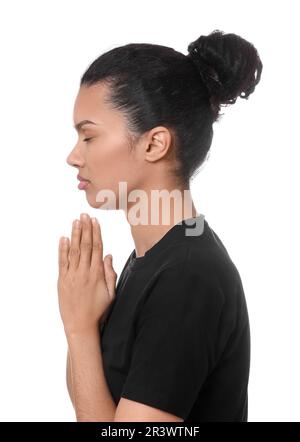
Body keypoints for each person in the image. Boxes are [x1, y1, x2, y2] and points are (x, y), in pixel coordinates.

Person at [60, 29, 263, 422]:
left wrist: (79, 328)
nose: (73, 156)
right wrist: (84, 324)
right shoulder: (151, 260)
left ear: (155, 144)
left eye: (88, 136)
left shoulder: (188, 276)